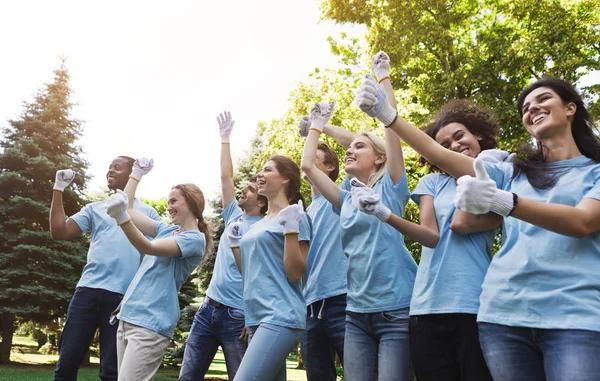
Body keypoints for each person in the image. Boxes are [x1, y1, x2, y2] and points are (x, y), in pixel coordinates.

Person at [356, 75, 600, 380]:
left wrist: (505, 201)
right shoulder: (514, 172)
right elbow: (439, 155)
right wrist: (388, 116)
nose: (532, 108)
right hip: (504, 316)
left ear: (570, 108)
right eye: (526, 106)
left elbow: (583, 221)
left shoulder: (595, 171)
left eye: (543, 99)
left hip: (574, 317)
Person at [301, 61, 417, 381]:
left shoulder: (391, 185)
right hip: (356, 315)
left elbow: (392, 127)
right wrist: (316, 125)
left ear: (379, 157)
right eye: (349, 147)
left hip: (394, 311)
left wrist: (383, 79)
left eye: (359, 146)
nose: (349, 150)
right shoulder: (345, 199)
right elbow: (309, 166)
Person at [408, 100, 506, 381]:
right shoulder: (432, 184)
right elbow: (435, 232)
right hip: (425, 305)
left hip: (473, 302)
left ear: (478, 134)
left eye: (459, 136)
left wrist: (501, 214)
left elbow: (460, 224)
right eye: (444, 144)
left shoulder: (498, 173)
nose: (453, 145)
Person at [50, 157, 159, 381]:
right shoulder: (95, 209)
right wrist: (58, 189)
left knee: (111, 371)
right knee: (66, 364)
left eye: (117, 167)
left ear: (132, 174)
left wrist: (136, 295)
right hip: (86, 293)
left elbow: (154, 257)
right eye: (109, 166)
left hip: (122, 300)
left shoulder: (147, 214)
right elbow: (59, 232)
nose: (110, 169)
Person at [104, 158, 212, 381]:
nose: (169, 206)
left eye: (174, 201)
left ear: (191, 203)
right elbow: (130, 206)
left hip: (150, 323)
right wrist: (136, 173)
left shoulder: (194, 239)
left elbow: (148, 247)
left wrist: (121, 217)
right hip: (129, 317)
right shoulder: (166, 230)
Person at [178, 112, 267, 381]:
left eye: (251, 189)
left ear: (261, 202)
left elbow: (263, 278)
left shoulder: (266, 227)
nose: (243, 190)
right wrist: (225, 138)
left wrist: (254, 317)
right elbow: (226, 177)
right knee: (187, 377)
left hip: (238, 316)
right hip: (208, 309)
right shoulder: (234, 216)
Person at [230, 155, 311, 381]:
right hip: (257, 318)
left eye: (267, 170)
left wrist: (291, 229)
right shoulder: (261, 223)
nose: (259, 175)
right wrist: (235, 245)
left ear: (285, 178)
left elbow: (295, 274)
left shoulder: (296, 216)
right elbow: (249, 272)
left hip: (280, 315)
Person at [297, 117, 352, 381]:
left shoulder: (342, 197)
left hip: (342, 300)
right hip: (310, 307)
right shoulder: (304, 212)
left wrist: (319, 126)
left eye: (314, 155)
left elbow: (360, 144)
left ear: (330, 166)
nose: (305, 160)